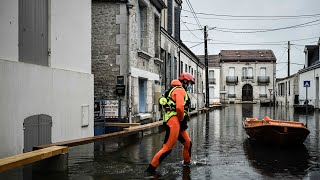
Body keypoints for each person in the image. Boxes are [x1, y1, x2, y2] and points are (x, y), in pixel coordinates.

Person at [145, 72, 195, 174]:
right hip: (175, 121)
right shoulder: (180, 90)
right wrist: (181, 120)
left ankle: (187, 164)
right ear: (184, 82)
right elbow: (179, 108)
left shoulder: (172, 89)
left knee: (188, 144)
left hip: (174, 121)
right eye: (189, 84)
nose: (189, 86)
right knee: (167, 148)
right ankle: (150, 171)